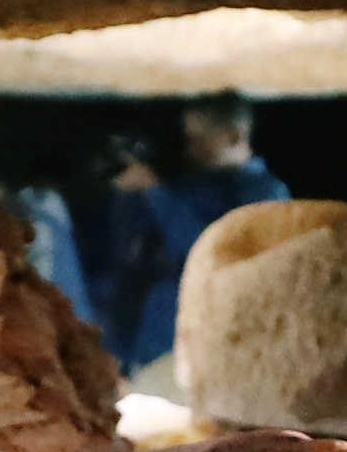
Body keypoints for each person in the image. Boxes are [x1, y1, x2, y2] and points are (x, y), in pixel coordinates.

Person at [84, 93, 291, 368]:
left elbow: (212, 250)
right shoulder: (192, 187)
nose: (191, 150)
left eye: (200, 140)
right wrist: (128, 195)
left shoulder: (266, 194)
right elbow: (130, 249)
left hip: (214, 341)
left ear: (234, 137)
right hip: (152, 336)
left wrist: (154, 192)